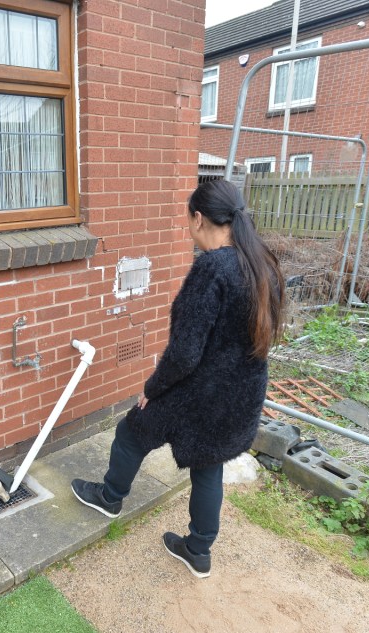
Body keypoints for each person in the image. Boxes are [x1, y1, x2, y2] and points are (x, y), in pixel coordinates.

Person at [71, 178, 285, 578]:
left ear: (199, 218)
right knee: (209, 463)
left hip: (199, 392)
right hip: (240, 393)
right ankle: (198, 550)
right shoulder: (261, 265)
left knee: (131, 432)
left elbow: (185, 353)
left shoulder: (212, 269)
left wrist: (151, 390)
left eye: (189, 221)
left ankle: (110, 497)